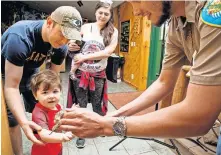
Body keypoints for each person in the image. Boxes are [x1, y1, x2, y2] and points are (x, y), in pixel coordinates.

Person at [59, 0, 221, 153]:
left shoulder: (214, 9)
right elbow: (164, 82)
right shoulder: (175, 24)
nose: (136, 12)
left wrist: (106, 126)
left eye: (136, 1)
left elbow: (198, 116)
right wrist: (117, 114)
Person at [1, 6, 82, 155]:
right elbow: (11, 86)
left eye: (69, 37)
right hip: (7, 73)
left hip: (32, 71)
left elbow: (52, 81)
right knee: (14, 120)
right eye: (62, 34)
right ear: (50, 22)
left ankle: (47, 145)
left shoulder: (60, 47)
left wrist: (62, 115)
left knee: (43, 108)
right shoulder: (20, 38)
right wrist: (24, 124)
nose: (64, 41)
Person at [66, 0, 118, 148]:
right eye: (100, 12)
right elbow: (72, 43)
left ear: (110, 15)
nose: (102, 16)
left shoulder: (113, 31)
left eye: (106, 14)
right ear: (96, 12)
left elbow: (108, 52)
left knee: (97, 104)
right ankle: (81, 134)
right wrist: (71, 44)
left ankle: (100, 127)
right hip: (81, 74)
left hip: (98, 75)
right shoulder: (85, 27)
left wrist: (84, 57)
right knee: (81, 104)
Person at [30, 70, 74, 155]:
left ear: (60, 91)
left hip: (56, 144)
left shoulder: (57, 106)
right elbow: (44, 135)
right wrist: (63, 137)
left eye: (55, 91)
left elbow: (61, 118)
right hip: (44, 150)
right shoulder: (38, 113)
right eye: (45, 92)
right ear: (35, 95)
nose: (51, 96)